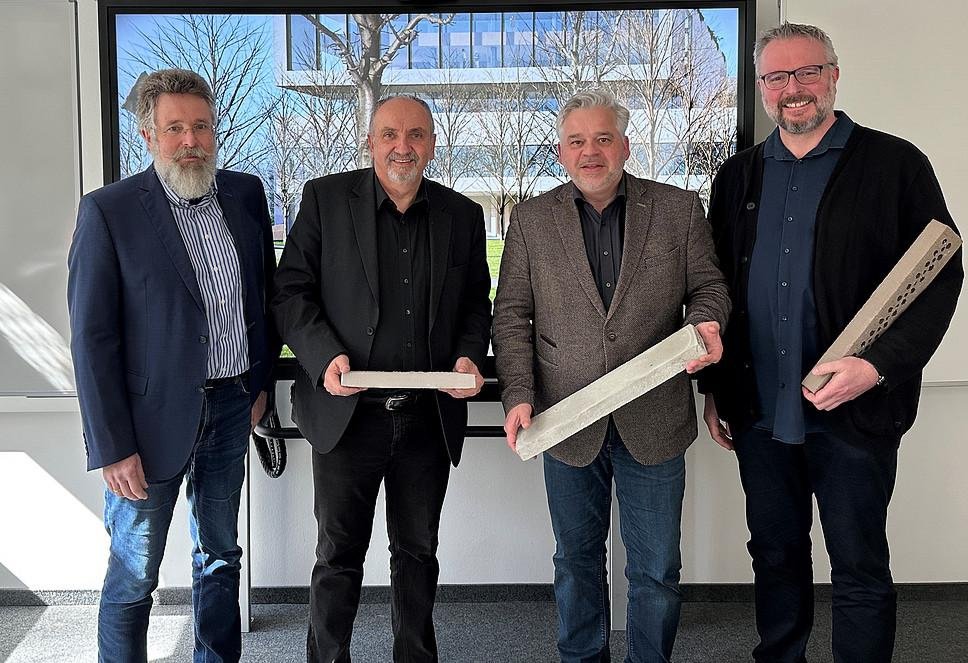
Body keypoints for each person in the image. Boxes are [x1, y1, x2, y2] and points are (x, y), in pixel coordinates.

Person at [700, 23, 964, 663]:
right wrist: (716, 392)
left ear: (834, 76)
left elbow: (939, 276)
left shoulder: (895, 164)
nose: (793, 90)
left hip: (854, 411)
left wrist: (876, 368)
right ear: (761, 88)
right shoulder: (736, 177)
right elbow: (717, 290)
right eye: (776, 78)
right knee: (774, 551)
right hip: (759, 411)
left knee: (857, 561)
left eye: (806, 73)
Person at [492, 89, 729, 662]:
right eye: (577, 141)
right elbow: (511, 314)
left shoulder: (677, 209)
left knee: (655, 568)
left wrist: (706, 325)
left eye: (602, 139)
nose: (590, 151)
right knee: (575, 562)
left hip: (655, 420)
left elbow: (710, 289)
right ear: (561, 151)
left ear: (624, 145)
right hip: (566, 424)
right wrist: (518, 395)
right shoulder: (530, 219)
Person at [271, 95, 492, 663]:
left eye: (416, 134)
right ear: (370, 142)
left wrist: (470, 356)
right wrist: (322, 358)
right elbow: (290, 292)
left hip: (426, 419)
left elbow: (474, 306)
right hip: (348, 417)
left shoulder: (463, 215)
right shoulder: (324, 200)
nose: (403, 146)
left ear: (433, 144)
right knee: (338, 555)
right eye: (390, 134)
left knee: (418, 553)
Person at [68, 68, 278, 662]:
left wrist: (259, 385)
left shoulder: (245, 194)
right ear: (148, 134)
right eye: (175, 128)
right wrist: (111, 446)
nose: (191, 140)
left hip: (233, 406)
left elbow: (262, 298)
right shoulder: (108, 211)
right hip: (146, 422)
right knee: (135, 573)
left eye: (202, 126)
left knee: (219, 557)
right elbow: (92, 338)